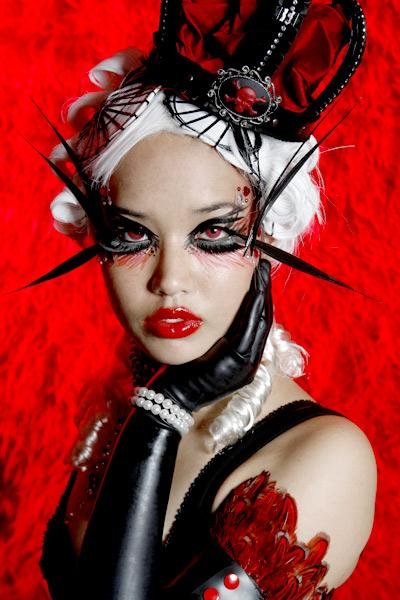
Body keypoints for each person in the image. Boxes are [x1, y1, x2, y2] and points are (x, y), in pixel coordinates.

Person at [35, 1, 376, 598]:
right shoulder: (116, 411)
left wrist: (162, 415)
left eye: (213, 234)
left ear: (271, 239)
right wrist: (157, 410)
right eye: (132, 235)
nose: (170, 279)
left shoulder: (327, 457)